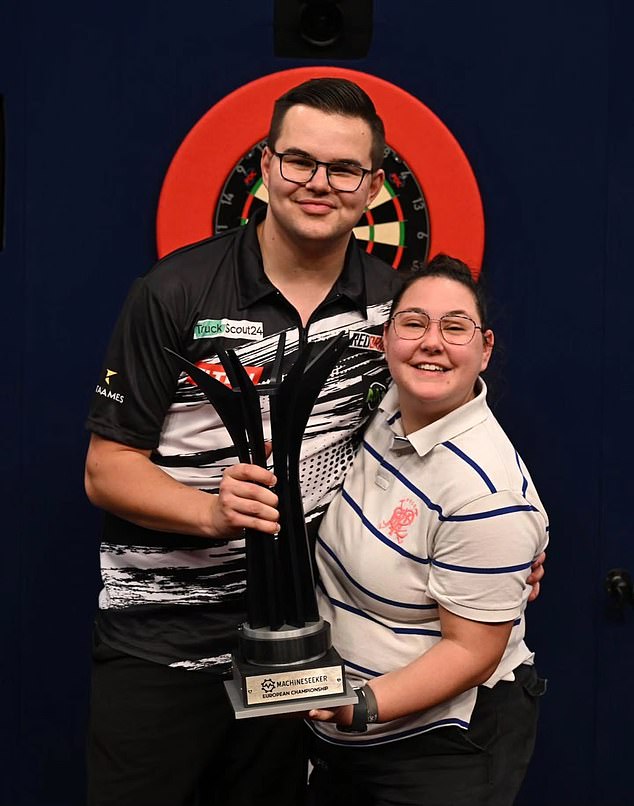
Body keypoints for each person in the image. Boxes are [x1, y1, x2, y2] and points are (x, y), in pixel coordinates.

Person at [84, 77, 401, 806]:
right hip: (160, 646)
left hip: (306, 646)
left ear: (374, 186)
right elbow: (107, 471)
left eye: (344, 168)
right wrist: (210, 512)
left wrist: (487, 555)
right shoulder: (175, 292)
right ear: (264, 166)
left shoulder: (391, 308)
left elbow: (423, 453)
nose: (319, 184)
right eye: (299, 161)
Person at [229, 255, 549, 806]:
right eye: (414, 323)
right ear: (383, 340)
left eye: (455, 327)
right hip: (346, 738)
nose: (432, 342)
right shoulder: (386, 411)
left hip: (438, 749)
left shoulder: (487, 493)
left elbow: (472, 652)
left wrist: (364, 704)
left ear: (485, 348)